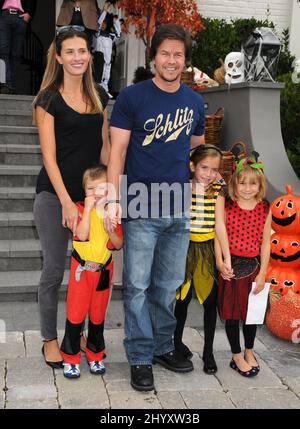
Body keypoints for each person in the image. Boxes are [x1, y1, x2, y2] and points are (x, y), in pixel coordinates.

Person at [107, 23, 206, 392]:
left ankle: (163, 345)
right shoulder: (132, 98)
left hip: (179, 206)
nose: (171, 60)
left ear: (185, 59)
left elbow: (195, 143)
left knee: (168, 286)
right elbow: (117, 151)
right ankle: (139, 356)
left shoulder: (195, 102)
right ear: (153, 57)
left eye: (178, 54)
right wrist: (112, 198)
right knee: (136, 286)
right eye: (164, 53)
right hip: (139, 205)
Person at [33, 29, 110, 369]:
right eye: (70, 51)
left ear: (89, 56)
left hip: (92, 200)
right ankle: (50, 338)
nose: (78, 56)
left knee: (91, 269)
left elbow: (105, 148)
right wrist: (66, 201)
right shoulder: (48, 99)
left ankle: (77, 332)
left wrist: (109, 194)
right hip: (54, 197)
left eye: (83, 50)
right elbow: (48, 157)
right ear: (59, 57)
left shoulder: (100, 96)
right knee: (53, 270)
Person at [174, 145, 233, 375]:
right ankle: (176, 344)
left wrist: (226, 257)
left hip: (208, 249)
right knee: (182, 300)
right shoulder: (182, 187)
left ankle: (208, 352)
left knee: (210, 303)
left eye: (213, 169)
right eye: (204, 167)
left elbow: (220, 224)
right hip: (185, 248)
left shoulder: (218, 189)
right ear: (193, 166)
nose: (208, 173)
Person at [60, 165, 123, 379]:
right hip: (82, 271)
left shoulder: (112, 212)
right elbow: (81, 234)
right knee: (75, 315)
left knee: (97, 316)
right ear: (83, 191)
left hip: (103, 271)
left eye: (101, 189)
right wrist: (87, 210)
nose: (96, 194)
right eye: (90, 189)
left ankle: (95, 353)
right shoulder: (77, 210)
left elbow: (118, 243)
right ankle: (70, 357)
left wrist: (111, 230)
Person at [216, 154, 271, 377]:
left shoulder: (265, 208)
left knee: (252, 314)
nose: (247, 188)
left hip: (254, 267)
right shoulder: (228, 206)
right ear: (234, 184)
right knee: (231, 313)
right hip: (231, 267)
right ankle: (236, 354)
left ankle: (249, 350)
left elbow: (266, 243)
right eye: (242, 183)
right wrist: (220, 262)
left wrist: (262, 274)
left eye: (252, 183)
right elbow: (217, 236)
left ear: (260, 186)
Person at [0, 0, 37, 94]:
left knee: (16, 55)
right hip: (4, 16)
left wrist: (29, 14)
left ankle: (11, 86)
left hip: (20, 16)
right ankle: (6, 85)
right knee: (3, 52)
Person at [92, 1, 121, 96]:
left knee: (106, 74)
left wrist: (116, 20)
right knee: (98, 75)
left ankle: (105, 91)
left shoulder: (110, 36)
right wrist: (104, 11)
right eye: (102, 23)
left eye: (105, 23)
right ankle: (97, 91)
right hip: (98, 59)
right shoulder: (97, 34)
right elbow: (99, 24)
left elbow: (118, 33)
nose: (103, 25)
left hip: (107, 61)